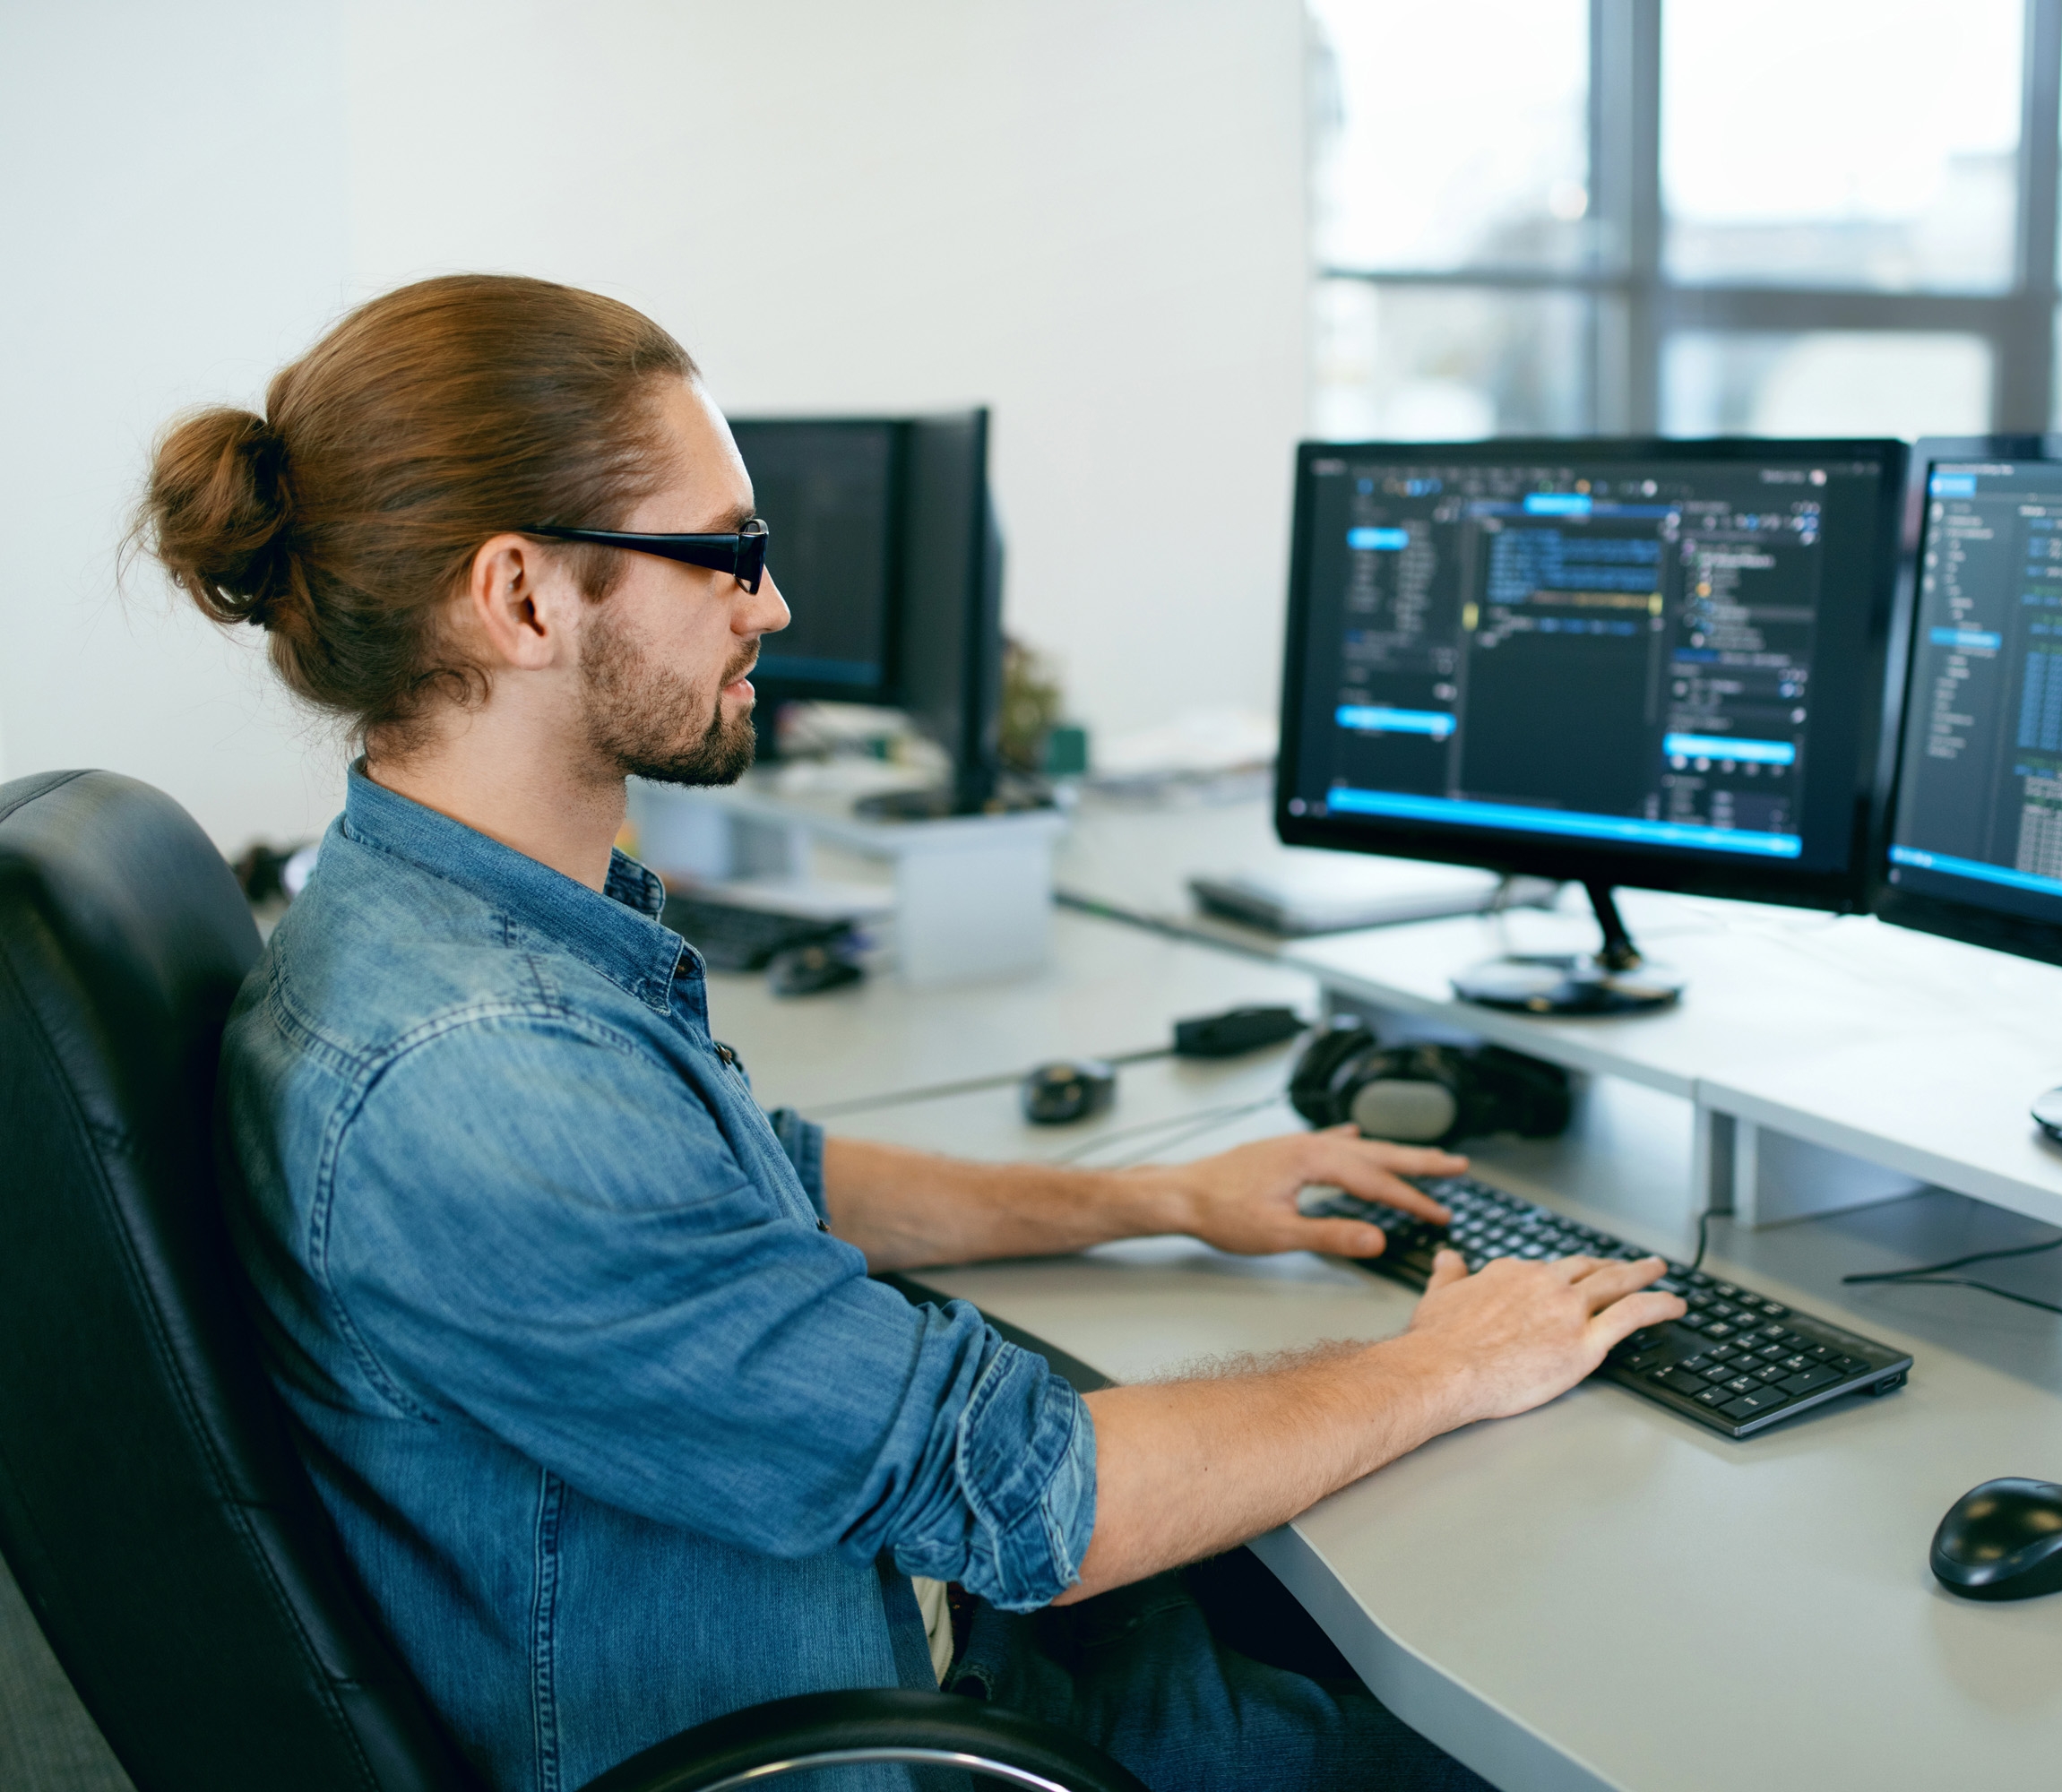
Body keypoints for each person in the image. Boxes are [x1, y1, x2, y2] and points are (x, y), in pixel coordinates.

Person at [140, 273, 1683, 1792]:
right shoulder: (482, 1070)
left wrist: (1157, 1201)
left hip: (897, 1639)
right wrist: (1451, 1363)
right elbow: (1037, 1500)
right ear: (524, 596)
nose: (773, 603)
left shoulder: (439, 917)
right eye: (726, 554)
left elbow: (763, 1186)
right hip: (878, 1737)